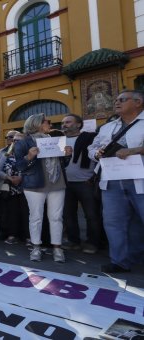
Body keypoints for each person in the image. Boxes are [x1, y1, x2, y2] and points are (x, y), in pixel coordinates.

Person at [88, 89, 144, 273]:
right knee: (113, 222)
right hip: (111, 181)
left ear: (138, 102)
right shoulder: (107, 127)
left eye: (122, 99)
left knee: (138, 222)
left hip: (140, 180)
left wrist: (135, 150)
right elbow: (92, 147)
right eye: (116, 100)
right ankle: (119, 261)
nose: (117, 103)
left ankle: (135, 255)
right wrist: (95, 153)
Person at [14, 113, 72, 263]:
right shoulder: (23, 143)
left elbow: (62, 164)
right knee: (36, 217)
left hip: (57, 183)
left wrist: (67, 156)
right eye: (47, 121)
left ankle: (57, 248)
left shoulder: (54, 141)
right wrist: (29, 157)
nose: (50, 124)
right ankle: (36, 247)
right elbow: (19, 166)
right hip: (34, 184)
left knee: (56, 217)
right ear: (37, 123)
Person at [61, 114, 103, 254]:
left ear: (78, 124)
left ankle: (93, 242)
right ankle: (74, 241)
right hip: (65, 183)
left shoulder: (90, 138)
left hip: (86, 182)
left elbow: (98, 157)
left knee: (91, 215)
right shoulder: (58, 141)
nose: (64, 124)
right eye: (63, 122)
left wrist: (93, 178)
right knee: (68, 214)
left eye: (68, 122)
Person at [0, 132, 29, 244]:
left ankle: (28, 236)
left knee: (26, 213)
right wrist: (7, 177)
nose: (16, 142)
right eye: (14, 140)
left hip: (26, 188)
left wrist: (20, 177)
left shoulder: (29, 154)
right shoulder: (6, 155)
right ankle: (12, 234)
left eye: (19, 140)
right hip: (10, 188)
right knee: (12, 212)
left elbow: (33, 170)